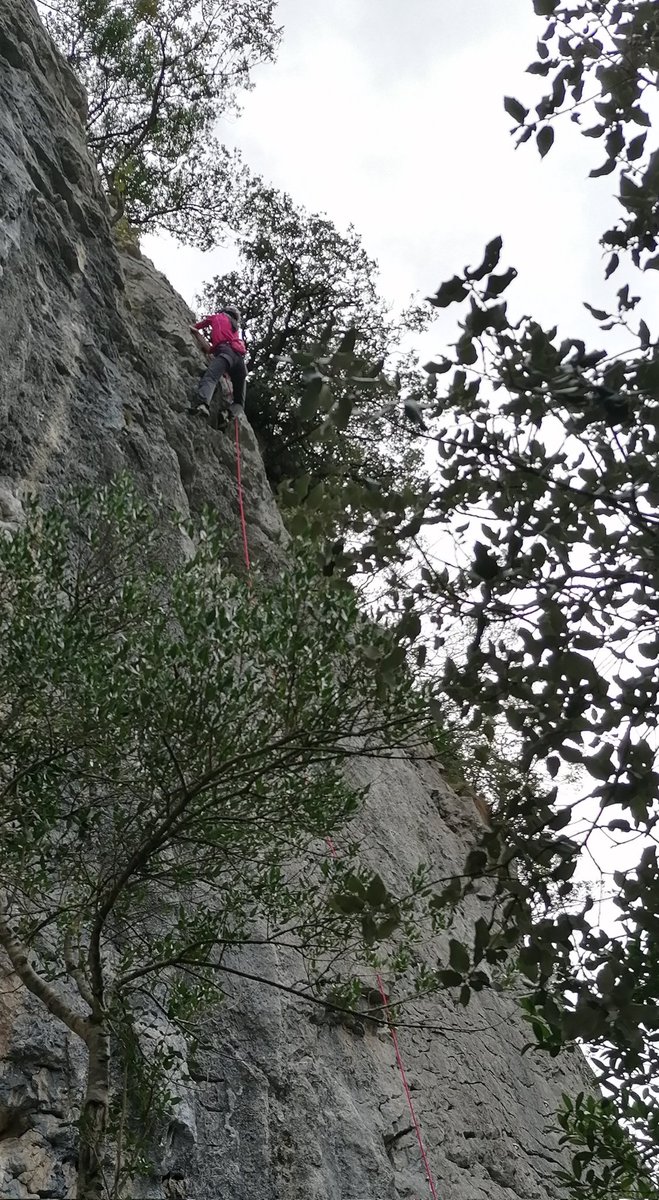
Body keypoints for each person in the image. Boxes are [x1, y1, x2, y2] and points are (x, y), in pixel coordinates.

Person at [189, 304, 247, 417]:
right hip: (240, 363)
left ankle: (203, 405)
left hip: (226, 354)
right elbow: (209, 349)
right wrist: (197, 335)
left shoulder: (217, 317)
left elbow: (198, 326)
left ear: (224, 311)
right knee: (239, 402)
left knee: (211, 378)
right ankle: (227, 414)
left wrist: (194, 329)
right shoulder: (235, 330)